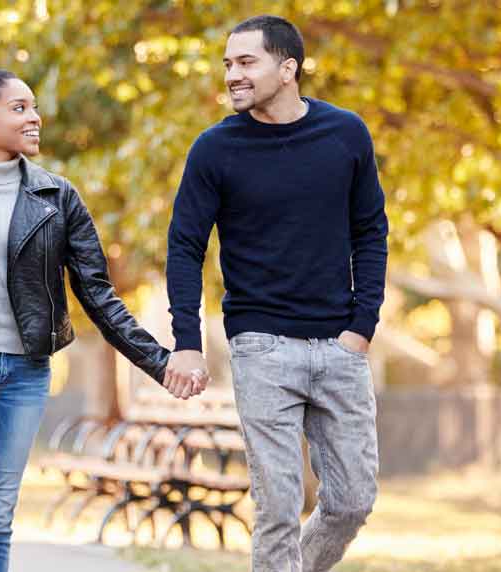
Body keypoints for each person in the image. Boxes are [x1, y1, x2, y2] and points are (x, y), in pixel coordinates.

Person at [0, 68, 205, 572]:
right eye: (19, 108)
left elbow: (99, 297)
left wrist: (160, 363)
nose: (35, 117)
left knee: (2, 512)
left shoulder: (58, 198)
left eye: (33, 106)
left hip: (25, 373)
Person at [163, 15, 390, 572]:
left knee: (353, 500)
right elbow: (185, 247)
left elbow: (372, 232)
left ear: (287, 68)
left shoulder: (346, 134)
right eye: (228, 64)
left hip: (340, 347)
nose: (233, 75)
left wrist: (361, 328)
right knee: (279, 506)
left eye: (246, 63)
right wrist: (187, 341)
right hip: (261, 347)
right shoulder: (214, 149)